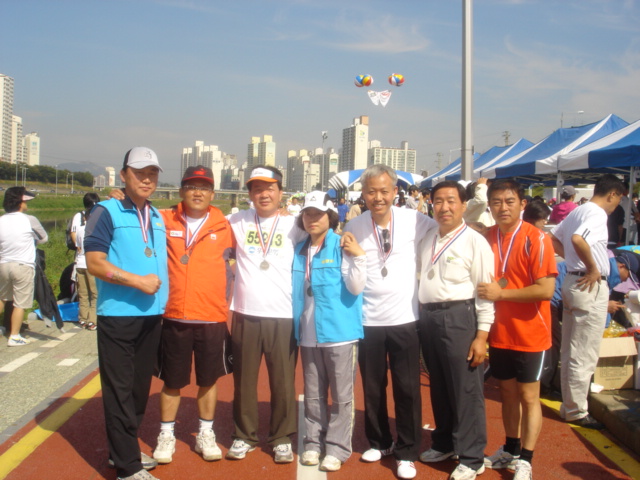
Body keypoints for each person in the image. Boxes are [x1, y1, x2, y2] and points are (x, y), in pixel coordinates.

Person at [344, 164, 437, 480]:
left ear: (395, 192)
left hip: (405, 318)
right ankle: (380, 441)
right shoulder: (354, 225)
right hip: (368, 319)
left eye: (384, 191)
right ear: (364, 194)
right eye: (371, 191)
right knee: (372, 385)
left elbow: (445, 232)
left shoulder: (415, 220)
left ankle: (408, 451)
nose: (378, 197)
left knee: (408, 387)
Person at [84, 147, 168, 480]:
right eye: (139, 173)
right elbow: (94, 263)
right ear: (124, 175)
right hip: (118, 315)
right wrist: (137, 281)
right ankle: (128, 468)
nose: (146, 179)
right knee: (118, 390)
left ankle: (124, 450)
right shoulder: (106, 211)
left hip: (152, 316)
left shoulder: (157, 215)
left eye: (152, 173)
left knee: (137, 389)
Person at [150, 166, 234, 465]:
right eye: (191, 186)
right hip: (174, 315)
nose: (197, 192)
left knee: (208, 380)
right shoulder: (160, 218)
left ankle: (206, 434)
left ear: (213, 194)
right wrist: (118, 198)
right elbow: (131, 211)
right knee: (171, 381)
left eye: (204, 187)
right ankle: (166, 435)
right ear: (181, 191)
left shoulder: (226, 224)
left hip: (211, 316)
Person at [226, 166, 307, 464]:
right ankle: (244, 435)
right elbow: (200, 218)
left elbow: (324, 225)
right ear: (249, 194)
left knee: (283, 381)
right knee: (244, 379)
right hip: (246, 313)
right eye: (257, 189)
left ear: (280, 192)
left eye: (270, 188)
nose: (264, 194)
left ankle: (281, 437)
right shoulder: (235, 221)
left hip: (283, 315)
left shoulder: (295, 224)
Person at [478, 179, 557, 480]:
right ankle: (510, 449)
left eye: (509, 201)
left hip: (531, 333)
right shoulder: (488, 237)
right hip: (499, 332)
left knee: (528, 396)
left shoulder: (536, 239)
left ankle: (526, 458)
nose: (503, 207)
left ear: (522, 204)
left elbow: (546, 289)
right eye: (496, 202)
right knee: (507, 393)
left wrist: (502, 295)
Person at [417, 181, 494, 480]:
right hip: (430, 318)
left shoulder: (475, 242)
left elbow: (485, 291)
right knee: (439, 385)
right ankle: (445, 442)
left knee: (465, 389)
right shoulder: (428, 239)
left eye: (451, 201)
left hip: (460, 317)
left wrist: (482, 336)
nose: (444, 207)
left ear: (464, 205)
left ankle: (473, 457)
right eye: (438, 201)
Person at [293, 191, 366, 472]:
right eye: (307, 214)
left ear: (330, 217)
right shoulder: (299, 249)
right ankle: (312, 443)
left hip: (340, 332)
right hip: (308, 332)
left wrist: (359, 257)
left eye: (318, 214)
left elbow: (357, 287)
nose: (312, 219)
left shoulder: (342, 245)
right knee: (312, 392)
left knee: (341, 395)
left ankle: (337, 447)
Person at [550, 173, 624, 430]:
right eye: (617, 200)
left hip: (574, 279)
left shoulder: (578, 211)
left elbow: (556, 238)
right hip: (588, 283)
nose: (616, 207)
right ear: (612, 194)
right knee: (584, 351)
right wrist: (591, 267)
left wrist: (573, 261)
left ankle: (571, 403)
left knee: (572, 348)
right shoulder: (596, 213)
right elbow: (577, 239)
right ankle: (576, 409)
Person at [0, 187, 48, 346]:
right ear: (20, 202)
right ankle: (14, 336)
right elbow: (43, 238)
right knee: (20, 303)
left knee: (2, 298)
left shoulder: (2, 219)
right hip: (23, 265)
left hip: (3, 264)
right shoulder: (29, 220)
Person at [74, 193, 100, 330]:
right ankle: (93, 321)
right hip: (91, 264)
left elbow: (77, 246)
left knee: (83, 294)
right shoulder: (96, 229)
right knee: (95, 295)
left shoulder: (79, 229)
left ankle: (82, 319)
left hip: (79, 263)